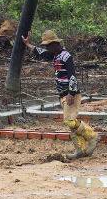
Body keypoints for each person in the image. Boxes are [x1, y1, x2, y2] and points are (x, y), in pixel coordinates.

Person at [23, 28, 98, 156]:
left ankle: (92, 136)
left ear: (55, 44)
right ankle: (80, 149)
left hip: (70, 94)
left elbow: (72, 76)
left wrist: (71, 93)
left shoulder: (66, 56)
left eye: (48, 46)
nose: (47, 48)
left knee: (69, 121)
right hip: (63, 94)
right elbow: (41, 53)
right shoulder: (55, 55)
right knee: (71, 123)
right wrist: (28, 44)